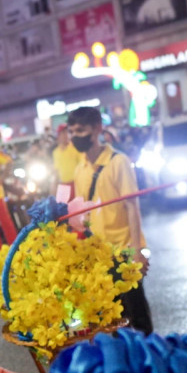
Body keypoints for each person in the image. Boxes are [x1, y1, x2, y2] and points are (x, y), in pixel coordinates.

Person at [68, 106, 153, 334]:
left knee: (136, 315)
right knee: (111, 318)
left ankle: (149, 362)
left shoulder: (118, 162)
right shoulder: (80, 169)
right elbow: (83, 212)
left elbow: (131, 206)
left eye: (81, 130)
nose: (76, 136)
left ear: (97, 129)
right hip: (98, 254)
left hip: (124, 250)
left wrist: (137, 250)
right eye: (72, 131)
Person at [52, 123, 82, 203]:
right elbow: (56, 171)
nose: (65, 135)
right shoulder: (56, 152)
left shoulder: (75, 147)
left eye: (67, 132)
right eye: (62, 133)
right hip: (64, 186)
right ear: (58, 136)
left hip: (77, 184)